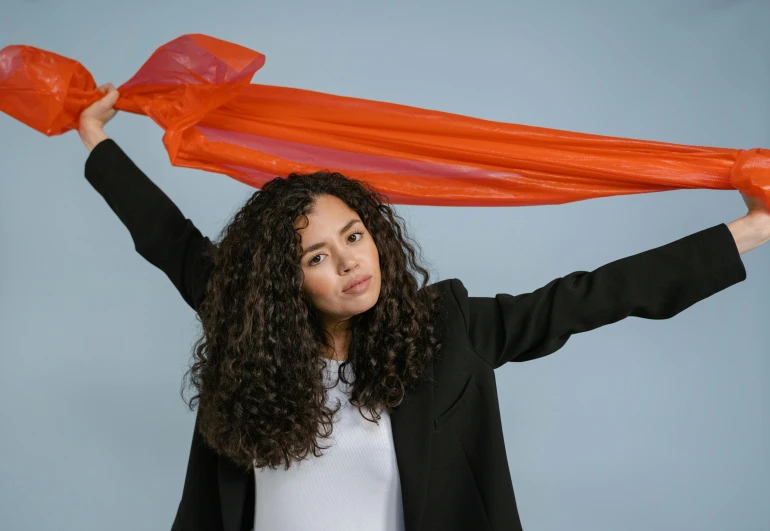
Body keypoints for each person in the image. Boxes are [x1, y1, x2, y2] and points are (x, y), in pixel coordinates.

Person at [77, 83, 767, 531]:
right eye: (315, 256)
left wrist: (753, 228)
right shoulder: (242, 321)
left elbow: (596, 296)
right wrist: (95, 136)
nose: (350, 261)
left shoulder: (449, 332)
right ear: (283, 286)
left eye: (353, 235)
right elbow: (166, 236)